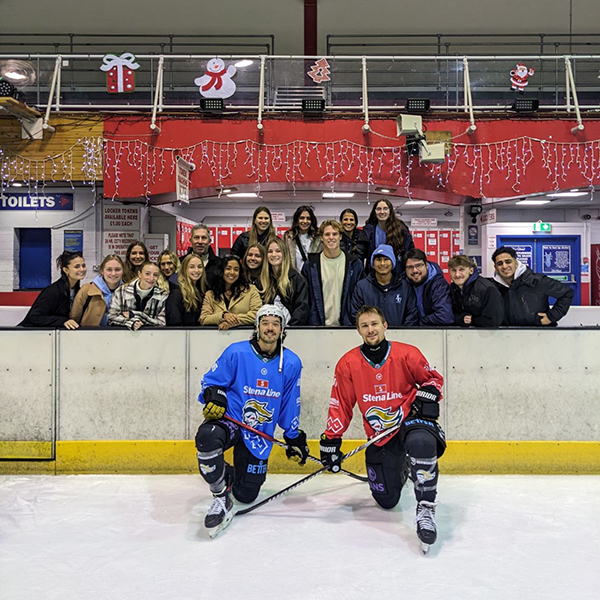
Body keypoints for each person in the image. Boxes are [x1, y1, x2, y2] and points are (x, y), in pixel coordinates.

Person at [320, 305, 446, 552]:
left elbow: (434, 380)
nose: (371, 329)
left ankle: (426, 509)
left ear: (385, 325)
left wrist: (428, 393)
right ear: (358, 330)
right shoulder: (348, 363)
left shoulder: (407, 354)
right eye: (365, 325)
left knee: (421, 442)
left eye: (374, 324)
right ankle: (403, 466)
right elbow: (341, 403)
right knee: (386, 500)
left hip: (409, 424)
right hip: (379, 437)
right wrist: (331, 439)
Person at [195, 304, 309, 537]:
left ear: (282, 329)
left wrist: (293, 435)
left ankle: (229, 476)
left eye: (275, 324)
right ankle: (219, 497)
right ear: (257, 327)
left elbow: (290, 400)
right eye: (265, 323)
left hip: (259, 432)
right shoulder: (236, 352)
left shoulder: (291, 362)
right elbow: (211, 381)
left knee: (246, 495)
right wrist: (214, 395)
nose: (270, 328)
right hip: (233, 421)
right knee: (207, 438)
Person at [491, 246, 574, 326]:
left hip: (540, 334)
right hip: (506, 335)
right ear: (495, 267)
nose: (505, 266)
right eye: (500, 263)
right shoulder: (492, 287)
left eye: (508, 262)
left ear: (516, 263)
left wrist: (551, 317)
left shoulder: (537, 281)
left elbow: (567, 293)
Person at [301, 220, 364, 326]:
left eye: (335, 234)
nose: (331, 237)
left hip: (347, 326)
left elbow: (359, 297)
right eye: (327, 234)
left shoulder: (354, 264)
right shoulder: (311, 265)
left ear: (340, 236)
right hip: (317, 327)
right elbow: (306, 298)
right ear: (321, 237)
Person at [350, 244, 419, 326]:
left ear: (392, 262)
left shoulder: (405, 287)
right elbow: (356, 315)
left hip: (399, 336)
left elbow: (412, 315)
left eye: (386, 259)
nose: (382, 263)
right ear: (373, 264)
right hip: (371, 335)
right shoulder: (362, 287)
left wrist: (402, 333)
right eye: (378, 260)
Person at [19, 251, 87, 329]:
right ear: (66, 270)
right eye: (77, 266)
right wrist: (63, 321)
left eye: (83, 265)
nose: (82, 269)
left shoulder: (78, 290)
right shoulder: (52, 291)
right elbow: (35, 317)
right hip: (28, 334)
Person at [200, 254, 262, 329]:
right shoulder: (210, 294)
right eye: (228, 268)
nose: (232, 272)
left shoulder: (251, 290)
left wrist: (231, 321)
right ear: (221, 271)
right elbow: (203, 319)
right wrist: (223, 316)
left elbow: (257, 314)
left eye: (236, 269)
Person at [261, 237, 310, 325]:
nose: (274, 254)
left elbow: (302, 308)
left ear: (285, 254)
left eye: (278, 251)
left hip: (291, 331)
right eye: (270, 251)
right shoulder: (261, 280)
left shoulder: (297, 279)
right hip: (267, 331)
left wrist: (290, 328)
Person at [108, 261, 167, 330]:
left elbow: (162, 323)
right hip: (123, 336)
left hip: (151, 337)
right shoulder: (121, 291)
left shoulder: (163, 295)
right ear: (139, 274)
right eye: (147, 274)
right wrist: (132, 322)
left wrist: (136, 315)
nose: (151, 278)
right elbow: (111, 317)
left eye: (155, 275)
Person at [449, 254, 504, 327]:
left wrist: (472, 320)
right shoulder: (451, 289)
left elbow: (493, 320)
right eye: (453, 270)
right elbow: (447, 315)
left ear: (471, 270)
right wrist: (460, 319)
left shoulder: (486, 289)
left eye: (461, 269)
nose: (457, 274)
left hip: (488, 335)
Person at [70, 254, 125, 327]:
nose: (113, 273)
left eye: (117, 269)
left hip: (121, 336)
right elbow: (74, 318)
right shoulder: (86, 290)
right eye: (109, 269)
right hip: (90, 336)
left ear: (123, 271)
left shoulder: (129, 291)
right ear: (102, 271)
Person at [403, 248, 453, 326]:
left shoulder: (438, 285)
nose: (415, 270)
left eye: (418, 265)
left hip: (435, 333)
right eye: (410, 267)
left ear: (426, 265)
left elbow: (444, 316)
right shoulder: (404, 284)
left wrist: (418, 324)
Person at [363, 198, 414, 274]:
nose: (382, 212)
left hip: (396, 272)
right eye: (379, 209)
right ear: (374, 212)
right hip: (374, 272)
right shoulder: (368, 230)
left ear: (390, 211)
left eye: (385, 209)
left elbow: (409, 251)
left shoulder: (401, 229)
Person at [166, 253, 207, 326]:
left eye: (200, 267)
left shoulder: (201, 290)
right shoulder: (177, 292)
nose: (196, 270)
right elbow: (174, 321)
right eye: (192, 267)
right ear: (184, 269)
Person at [283, 205, 322, 272]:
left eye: (308, 218)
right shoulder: (288, 237)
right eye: (302, 218)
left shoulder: (318, 237)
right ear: (297, 220)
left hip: (312, 276)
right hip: (294, 276)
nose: (305, 221)